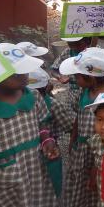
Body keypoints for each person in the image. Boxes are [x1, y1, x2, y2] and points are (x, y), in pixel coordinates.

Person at [0, 43, 60, 207]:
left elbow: (42, 123)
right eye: (17, 71)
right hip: (6, 180)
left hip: (36, 173)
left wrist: (47, 140)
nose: (25, 75)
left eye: (25, 68)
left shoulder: (34, 96)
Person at [60, 47, 104, 207]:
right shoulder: (85, 91)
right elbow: (79, 115)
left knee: (93, 186)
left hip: (98, 155)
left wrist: (95, 170)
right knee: (78, 184)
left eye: (77, 75)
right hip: (81, 149)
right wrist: (73, 138)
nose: (74, 78)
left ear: (91, 78)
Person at [27, 67, 74, 198]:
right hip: (43, 153)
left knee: (49, 187)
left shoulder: (52, 104)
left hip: (47, 151)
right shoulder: (53, 103)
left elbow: (71, 125)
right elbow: (70, 124)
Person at [51, 36, 92, 112]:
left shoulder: (94, 49)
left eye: (78, 44)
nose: (74, 47)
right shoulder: (68, 52)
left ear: (87, 41)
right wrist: (60, 77)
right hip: (73, 93)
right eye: (70, 44)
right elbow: (53, 69)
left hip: (90, 91)